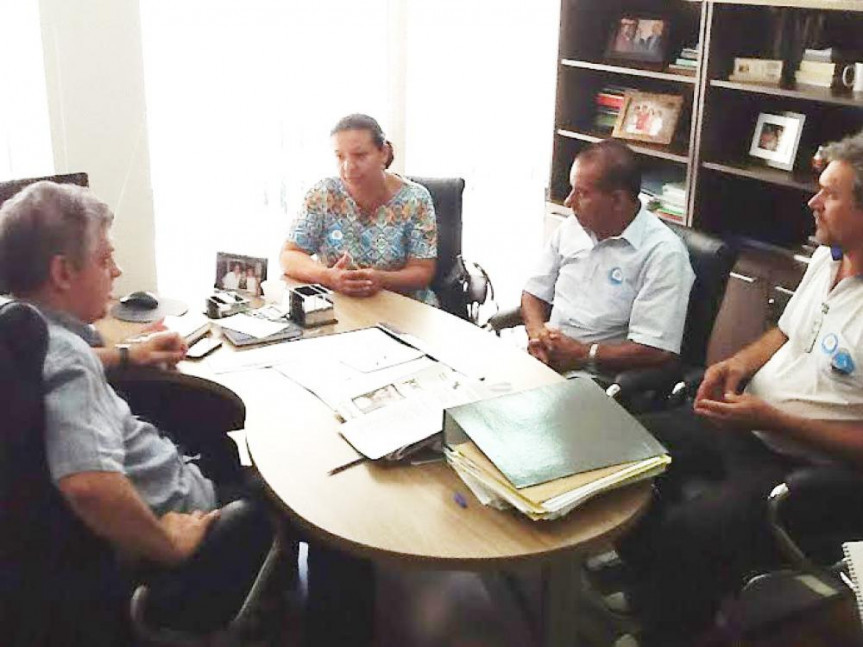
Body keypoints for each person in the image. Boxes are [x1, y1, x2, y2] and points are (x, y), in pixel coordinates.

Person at [0, 181, 374, 645]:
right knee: (321, 496)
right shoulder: (69, 360)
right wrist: (168, 545)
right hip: (185, 520)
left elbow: (59, 362)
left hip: (71, 550)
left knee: (215, 439)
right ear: (62, 272)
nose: (117, 271)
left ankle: (271, 597)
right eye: (103, 258)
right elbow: (89, 485)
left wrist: (128, 356)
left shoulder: (20, 331)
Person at [614, 130, 863, 646]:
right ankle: (655, 589)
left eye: (831, 194)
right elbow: (784, 331)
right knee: (621, 449)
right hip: (747, 423)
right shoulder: (827, 256)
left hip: (806, 466)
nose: (813, 202)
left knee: (694, 527)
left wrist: (771, 419)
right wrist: (734, 363)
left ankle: (672, 632)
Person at [521, 139, 694, 376]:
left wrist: (582, 354)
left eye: (582, 193)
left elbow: (656, 349)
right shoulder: (572, 227)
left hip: (596, 377)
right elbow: (533, 293)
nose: (569, 201)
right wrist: (538, 332)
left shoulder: (663, 254)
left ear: (618, 200)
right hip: (547, 360)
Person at [280, 113, 438, 305]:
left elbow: (422, 271)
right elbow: (289, 255)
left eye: (360, 155)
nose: (348, 167)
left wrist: (380, 279)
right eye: (340, 156)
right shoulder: (324, 194)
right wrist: (327, 276)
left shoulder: (415, 199)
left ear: (384, 153)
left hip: (404, 306)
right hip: (341, 305)